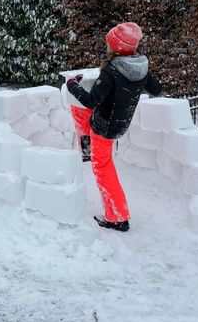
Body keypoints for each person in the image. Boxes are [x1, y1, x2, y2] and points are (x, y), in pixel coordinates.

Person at [66, 22, 162, 232]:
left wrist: (72, 85)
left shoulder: (111, 71)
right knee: (79, 111)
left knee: (102, 166)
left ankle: (118, 217)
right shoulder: (140, 67)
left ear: (116, 47)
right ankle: (86, 146)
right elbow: (157, 89)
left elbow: (92, 100)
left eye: (109, 43)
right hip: (120, 122)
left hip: (105, 127)